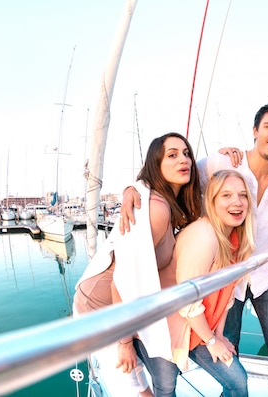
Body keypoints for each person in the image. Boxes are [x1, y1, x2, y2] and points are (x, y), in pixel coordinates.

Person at [120, 102, 268, 397]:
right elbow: (173, 174)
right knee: (225, 344)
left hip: (260, 271)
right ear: (255, 131)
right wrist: (135, 188)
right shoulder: (224, 163)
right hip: (221, 271)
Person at [73, 132, 202, 397]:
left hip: (125, 305)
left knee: (145, 377)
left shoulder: (164, 200)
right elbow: (122, 279)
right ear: (156, 164)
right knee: (139, 388)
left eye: (187, 153)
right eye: (172, 155)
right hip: (101, 306)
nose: (184, 160)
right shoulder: (156, 209)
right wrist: (124, 342)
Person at [164, 169, 255, 396]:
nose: (237, 202)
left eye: (242, 195)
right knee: (166, 387)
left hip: (202, 327)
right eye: (226, 195)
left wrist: (220, 334)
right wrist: (212, 340)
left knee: (237, 381)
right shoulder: (203, 236)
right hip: (175, 328)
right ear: (212, 202)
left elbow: (226, 294)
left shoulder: (234, 238)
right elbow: (186, 300)